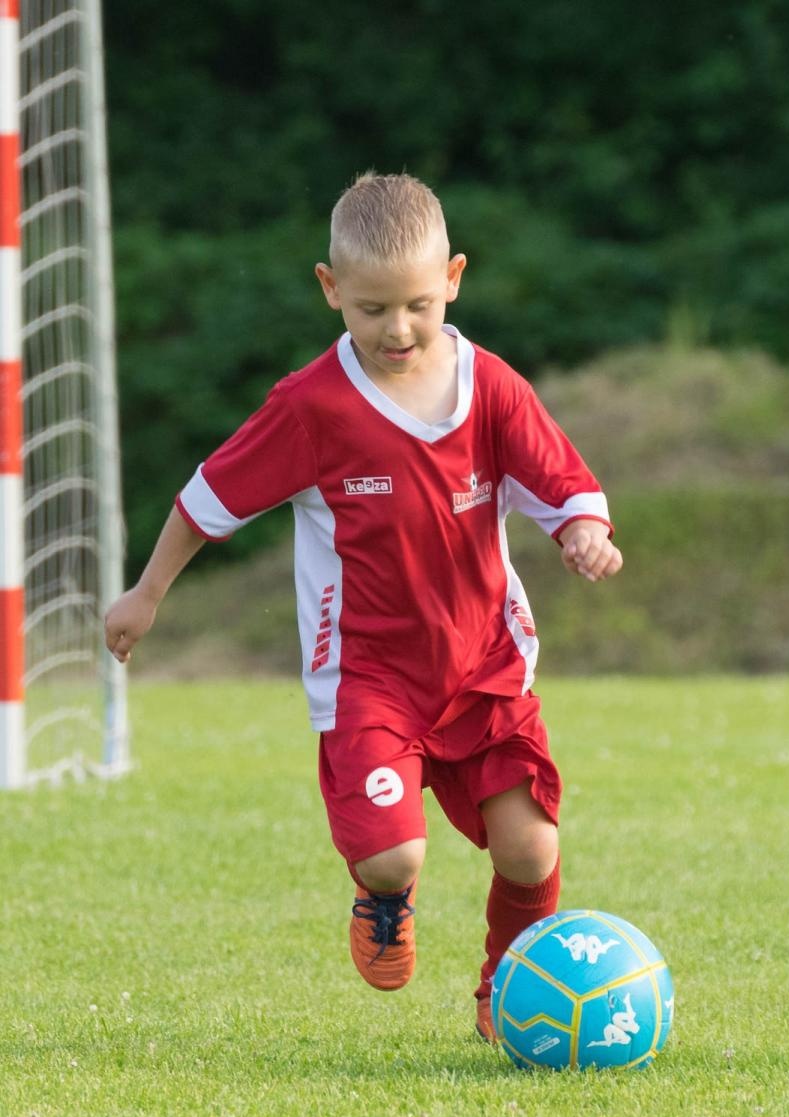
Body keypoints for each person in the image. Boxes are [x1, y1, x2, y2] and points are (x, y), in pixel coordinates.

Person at [104, 172, 622, 1042]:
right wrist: (146, 594)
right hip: (369, 682)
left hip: (487, 666)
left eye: (418, 304)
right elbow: (208, 499)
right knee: (393, 856)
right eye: (372, 308)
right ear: (330, 289)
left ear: (453, 279)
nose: (398, 329)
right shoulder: (313, 407)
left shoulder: (490, 386)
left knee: (532, 848)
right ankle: (384, 901)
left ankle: (509, 984)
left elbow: (562, 482)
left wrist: (584, 532)